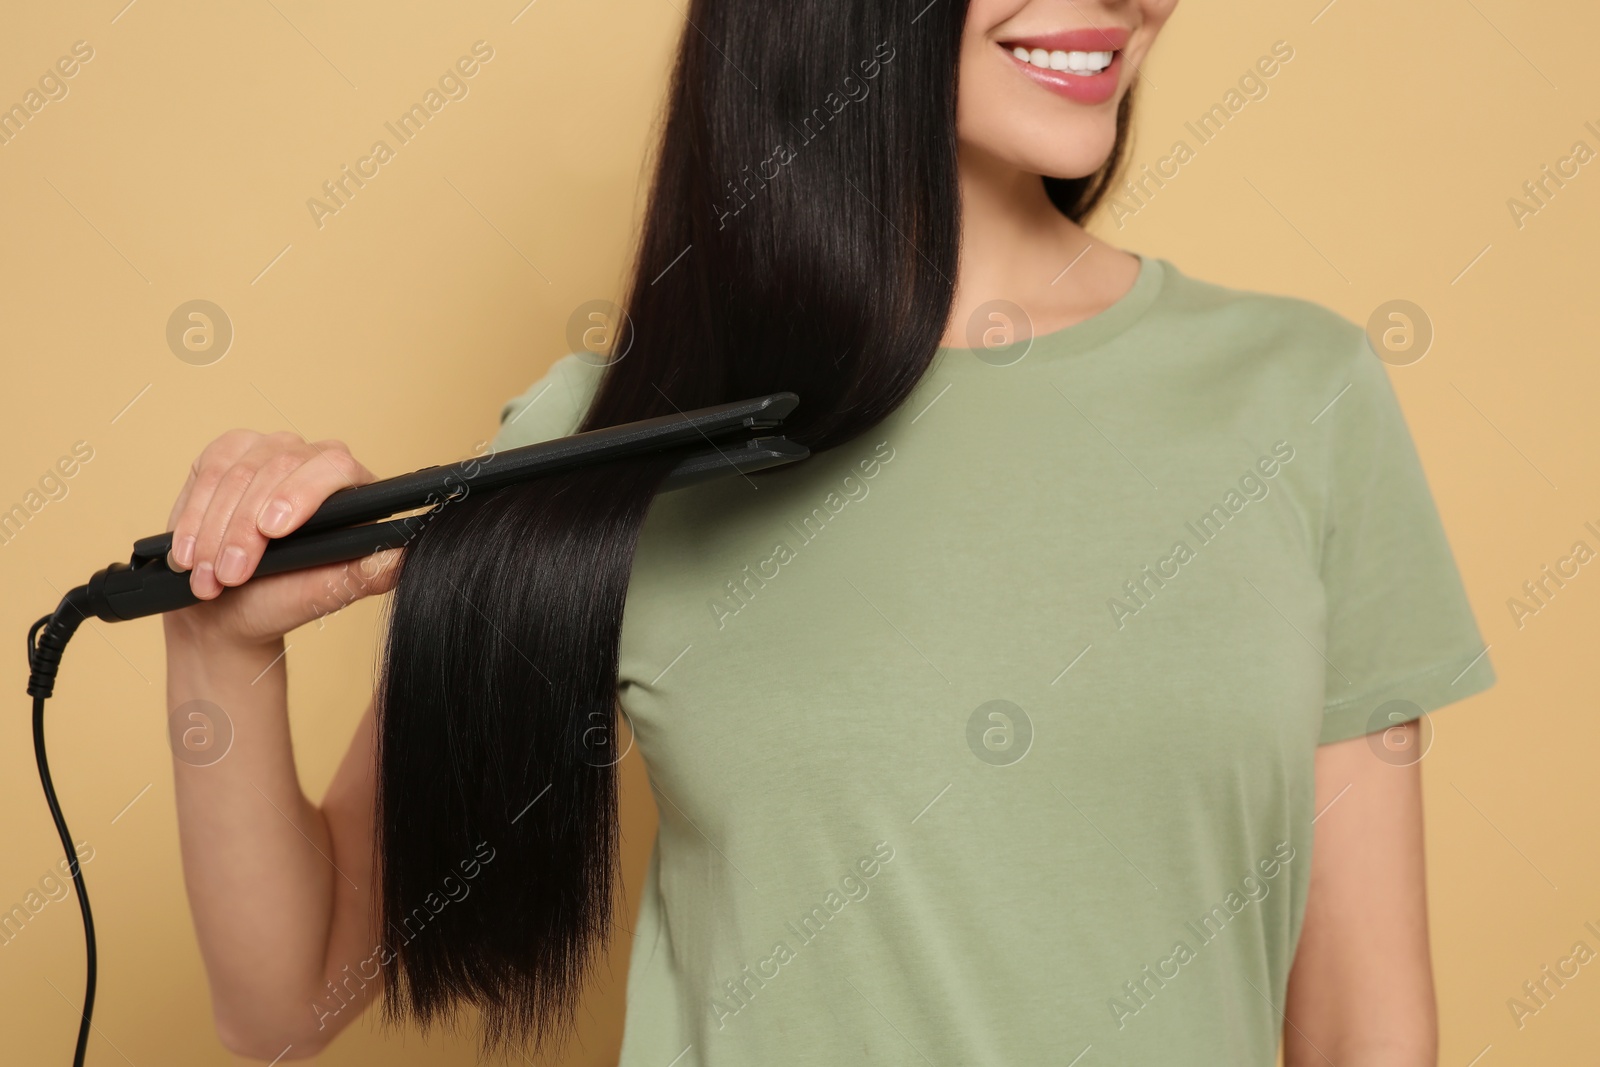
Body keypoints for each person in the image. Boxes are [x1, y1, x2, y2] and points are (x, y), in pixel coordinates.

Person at [160, 1, 1493, 1063]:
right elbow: (287, 1005)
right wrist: (221, 652)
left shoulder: (1300, 398)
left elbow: (1367, 1032)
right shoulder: (617, 438)